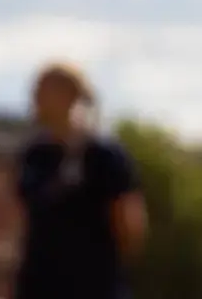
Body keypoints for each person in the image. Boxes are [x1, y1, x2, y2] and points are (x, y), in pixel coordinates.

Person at [13, 63, 147, 299]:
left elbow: (130, 227)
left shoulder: (104, 155)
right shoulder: (34, 155)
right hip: (37, 287)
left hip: (94, 288)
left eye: (42, 91)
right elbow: (22, 218)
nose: (34, 99)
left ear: (67, 95)